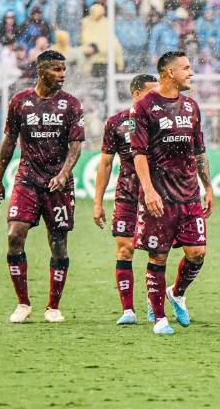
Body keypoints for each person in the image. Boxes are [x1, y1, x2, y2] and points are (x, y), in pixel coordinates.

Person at [0, 50, 85, 325]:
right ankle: (23, 303)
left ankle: (53, 307)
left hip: (59, 186)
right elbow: (9, 142)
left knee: (58, 246)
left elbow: (76, 145)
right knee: (14, 235)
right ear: (41, 71)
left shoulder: (71, 104)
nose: (62, 74)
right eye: (56, 69)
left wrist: (63, 173)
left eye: (64, 69)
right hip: (27, 180)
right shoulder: (20, 102)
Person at [130, 51, 213, 336]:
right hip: (159, 198)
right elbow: (139, 154)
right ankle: (159, 320)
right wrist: (149, 191)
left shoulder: (191, 107)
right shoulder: (144, 108)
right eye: (186, 68)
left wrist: (208, 186)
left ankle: (176, 292)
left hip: (189, 195)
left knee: (197, 253)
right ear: (169, 73)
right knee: (158, 257)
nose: (191, 73)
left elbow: (199, 151)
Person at [92, 73, 157, 325]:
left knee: (156, 252)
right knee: (125, 249)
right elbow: (106, 163)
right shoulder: (116, 123)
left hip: (156, 195)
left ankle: (155, 305)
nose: (154, 100)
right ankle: (128, 310)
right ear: (136, 94)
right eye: (150, 94)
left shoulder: (162, 121)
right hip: (127, 195)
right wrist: (98, 202)